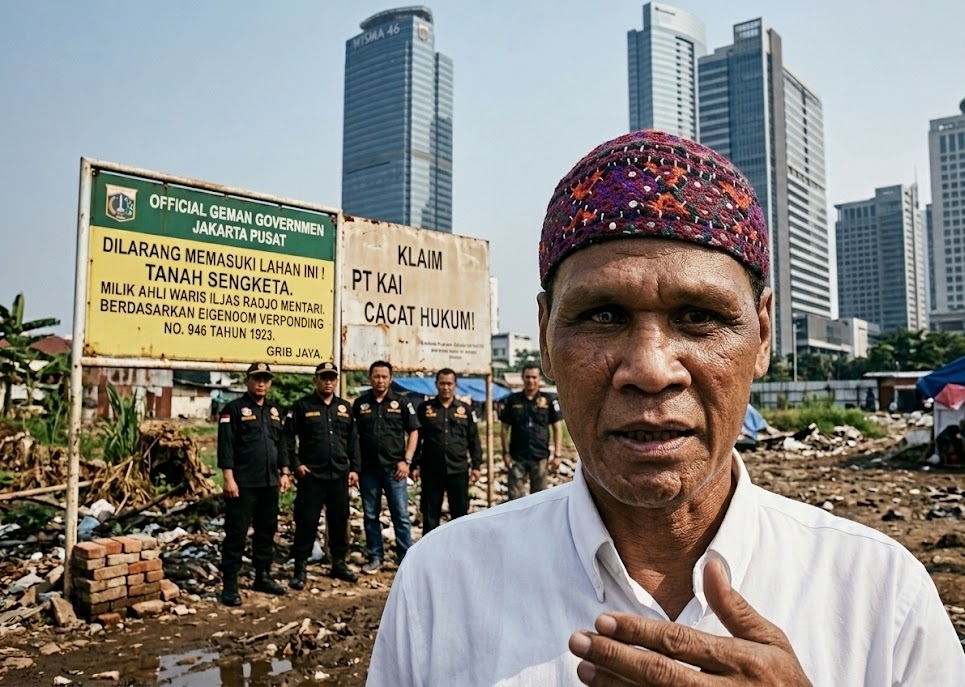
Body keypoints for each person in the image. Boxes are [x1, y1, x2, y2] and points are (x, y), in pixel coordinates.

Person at [367, 130, 965, 685]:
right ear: (546, 336)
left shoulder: (882, 597)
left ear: (761, 335)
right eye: (603, 316)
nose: (650, 370)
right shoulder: (442, 585)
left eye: (699, 317)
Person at [217, 362, 290, 606]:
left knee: (266, 532)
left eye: (266, 379)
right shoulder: (234, 409)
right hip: (243, 483)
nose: (261, 383)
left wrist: (285, 472)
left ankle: (263, 576)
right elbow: (225, 445)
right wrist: (228, 477)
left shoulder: (275, 411)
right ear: (247, 380)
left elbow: (282, 445)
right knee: (236, 533)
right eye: (257, 378)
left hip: (269, 482)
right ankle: (230, 585)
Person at [284, 362, 360, 588]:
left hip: (338, 474)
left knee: (339, 519)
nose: (328, 382)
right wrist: (295, 464)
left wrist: (355, 468)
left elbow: (353, 441)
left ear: (336, 381)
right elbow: (288, 438)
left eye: (331, 378)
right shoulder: (302, 406)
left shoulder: (345, 408)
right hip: (311, 476)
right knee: (306, 521)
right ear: (315, 380)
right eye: (323, 377)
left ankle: (338, 563)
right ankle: (300, 567)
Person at [353, 361, 420, 575]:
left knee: (399, 514)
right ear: (370, 377)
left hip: (395, 469)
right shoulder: (360, 404)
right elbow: (352, 436)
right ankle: (375, 556)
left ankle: (405, 558)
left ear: (390, 378)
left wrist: (407, 460)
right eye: (376, 376)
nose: (380, 380)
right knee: (370, 515)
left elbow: (414, 431)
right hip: (368, 470)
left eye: (384, 376)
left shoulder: (401, 402)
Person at [411, 368, 483, 533]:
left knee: (459, 515)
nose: (446, 387)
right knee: (430, 514)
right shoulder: (425, 408)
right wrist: (414, 465)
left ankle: (458, 553)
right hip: (431, 471)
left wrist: (477, 466)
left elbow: (474, 440)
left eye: (449, 384)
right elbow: (417, 438)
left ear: (455, 385)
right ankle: (430, 554)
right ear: (436, 385)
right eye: (442, 383)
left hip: (458, 470)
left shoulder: (465, 410)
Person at [499, 363, 563, 499]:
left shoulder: (549, 400)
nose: (531, 380)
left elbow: (557, 428)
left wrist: (557, 454)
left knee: (540, 498)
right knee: (515, 498)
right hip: (517, 456)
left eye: (534, 377)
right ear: (522, 378)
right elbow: (504, 429)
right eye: (527, 377)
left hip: (540, 455)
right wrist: (505, 453)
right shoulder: (512, 400)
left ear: (539, 378)